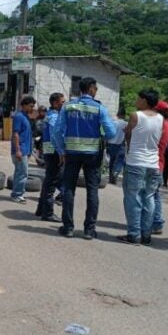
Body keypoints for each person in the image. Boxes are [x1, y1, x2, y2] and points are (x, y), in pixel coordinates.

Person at [53, 77, 116, 239]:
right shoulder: (99, 109)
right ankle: (89, 230)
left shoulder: (68, 106)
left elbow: (57, 131)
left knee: (68, 189)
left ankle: (68, 227)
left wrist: (61, 150)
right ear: (90, 88)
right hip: (92, 155)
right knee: (92, 190)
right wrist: (99, 135)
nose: (96, 92)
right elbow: (111, 133)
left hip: (72, 152)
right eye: (95, 88)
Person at [118, 89, 163, 245]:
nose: (136, 101)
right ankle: (146, 234)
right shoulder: (160, 118)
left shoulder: (136, 115)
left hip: (136, 161)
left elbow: (128, 135)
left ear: (144, 100)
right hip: (153, 163)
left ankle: (134, 234)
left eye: (138, 98)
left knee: (133, 198)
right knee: (149, 198)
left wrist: (127, 136)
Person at [34, 93, 65, 221]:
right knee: (52, 182)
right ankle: (48, 213)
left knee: (48, 180)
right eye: (62, 102)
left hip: (48, 150)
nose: (64, 104)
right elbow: (55, 136)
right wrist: (61, 153)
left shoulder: (50, 116)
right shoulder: (54, 118)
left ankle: (41, 209)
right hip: (54, 152)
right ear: (55, 103)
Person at [10, 96, 36, 204]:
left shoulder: (26, 117)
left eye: (33, 106)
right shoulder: (19, 117)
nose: (32, 108)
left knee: (19, 172)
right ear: (24, 105)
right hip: (20, 150)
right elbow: (15, 134)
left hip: (26, 150)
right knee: (23, 173)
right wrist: (18, 150)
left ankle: (16, 193)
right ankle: (17, 194)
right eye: (31, 106)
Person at [151, 101, 168, 235]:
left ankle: (156, 222)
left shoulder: (160, 124)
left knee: (152, 195)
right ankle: (156, 222)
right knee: (155, 194)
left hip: (154, 162)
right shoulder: (167, 124)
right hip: (159, 162)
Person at [107, 109, 128, 184]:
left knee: (112, 161)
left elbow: (109, 132)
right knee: (120, 161)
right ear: (124, 115)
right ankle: (115, 173)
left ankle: (111, 178)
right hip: (121, 144)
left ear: (118, 115)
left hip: (111, 144)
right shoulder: (126, 124)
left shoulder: (113, 123)